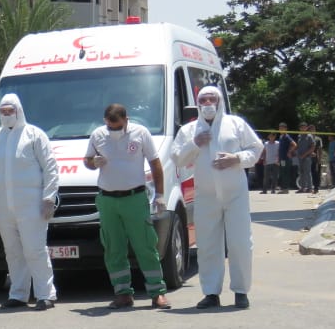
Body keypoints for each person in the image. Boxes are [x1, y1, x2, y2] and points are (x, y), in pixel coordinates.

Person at [170, 85, 263, 310]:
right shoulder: (189, 130)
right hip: (206, 195)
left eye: (212, 99)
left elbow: (256, 148)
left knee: (240, 243)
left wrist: (237, 158)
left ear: (220, 101)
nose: (208, 103)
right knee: (208, 244)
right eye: (204, 100)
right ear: (198, 104)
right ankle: (211, 292)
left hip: (235, 194)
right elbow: (177, 158)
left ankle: (241, 291)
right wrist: (195, 144)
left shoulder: (236, 124)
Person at [0, 93, 60, 310]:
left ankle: (45, 294)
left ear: (19, 111)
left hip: (31, 205)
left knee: (35, 250)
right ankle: (18, 294)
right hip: (2, 206)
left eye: (10, 111)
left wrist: (49, 197)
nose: (7, 115)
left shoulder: (34, 135)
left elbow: (50, 168)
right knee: (12, 251)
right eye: (3, 111)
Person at [83, 103, 170, 309]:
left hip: (135, 197)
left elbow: (155, 163)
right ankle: (122, 293)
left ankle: (157, 292)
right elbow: (86, 160)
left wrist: (160, 195)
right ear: (105, 121)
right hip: (107, 199)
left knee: (145, 245)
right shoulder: (97, 134)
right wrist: (93, 162)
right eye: (109, 126)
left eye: (117, 126)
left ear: (126, 120)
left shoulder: (140, 133)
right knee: (113, 247)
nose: (113, 130)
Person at [296, 123, 317, 194]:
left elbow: (313, 146)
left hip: (307, 157)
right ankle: (302, 188)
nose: (303, 128)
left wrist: (305, 154)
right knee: (301, 172)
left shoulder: (309, 136)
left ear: (306, 128)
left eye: (304, 127)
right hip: (300, 157)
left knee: (307, 172)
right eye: (301, 127)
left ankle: (310, 188)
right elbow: (298, 146)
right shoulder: (299, 136)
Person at [276, 122, 295, 193]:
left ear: (285, 129)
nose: (280, 129)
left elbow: (294, 144)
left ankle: (285, 188)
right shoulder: (281, 137)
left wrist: (289, 152)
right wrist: (278, 158)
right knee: (282, 172)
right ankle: (283, 188)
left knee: (285, 173)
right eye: (280, 128)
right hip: (282, 158)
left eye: (282, 128)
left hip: (286, 158)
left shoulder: (287, 136)